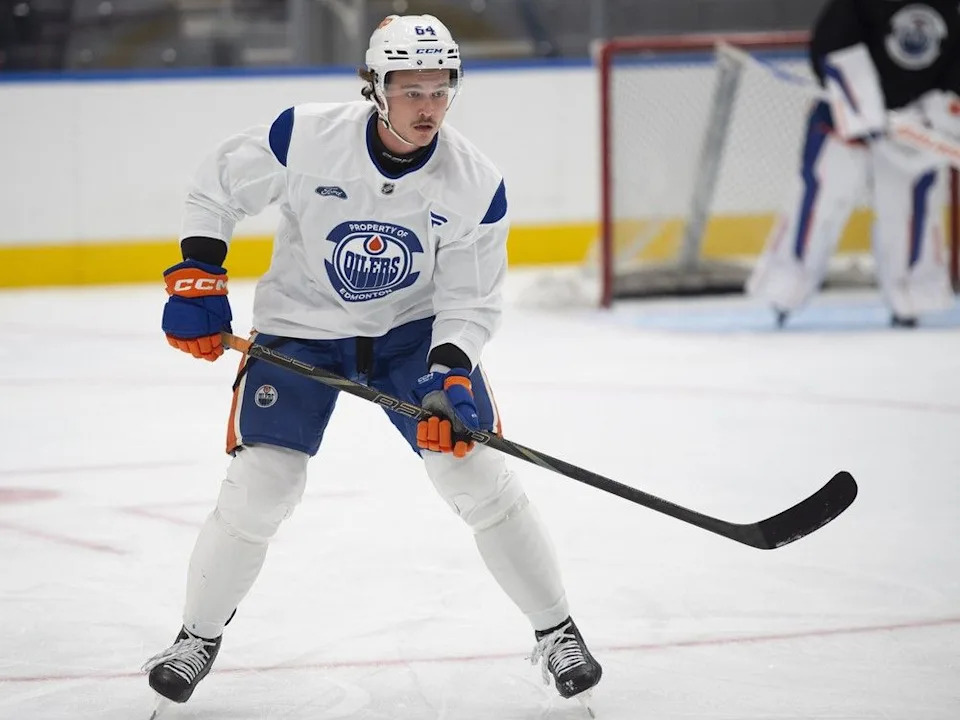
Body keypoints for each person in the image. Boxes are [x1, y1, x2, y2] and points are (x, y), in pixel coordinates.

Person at [141, 13, 602, 712]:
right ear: (376, 88)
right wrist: (198, 275)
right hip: (302, 330)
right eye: (411, 90)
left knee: (473, 474)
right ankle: (195, 638)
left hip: (409, 339)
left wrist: (450, 373)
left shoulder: (475, 182)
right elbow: (217, 186)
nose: (428, 107)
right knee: (262, 485)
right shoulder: (306, 135)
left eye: (440, 90)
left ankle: (558, 631)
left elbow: (470, 301)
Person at [746, 0, 959, 327]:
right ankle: (785, 288)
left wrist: (935, 113)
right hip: (841, 122)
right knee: (820, 201)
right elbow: (834, 44)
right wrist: (863, 106)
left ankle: (913, 298)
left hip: (914, 128)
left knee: (910, 210)